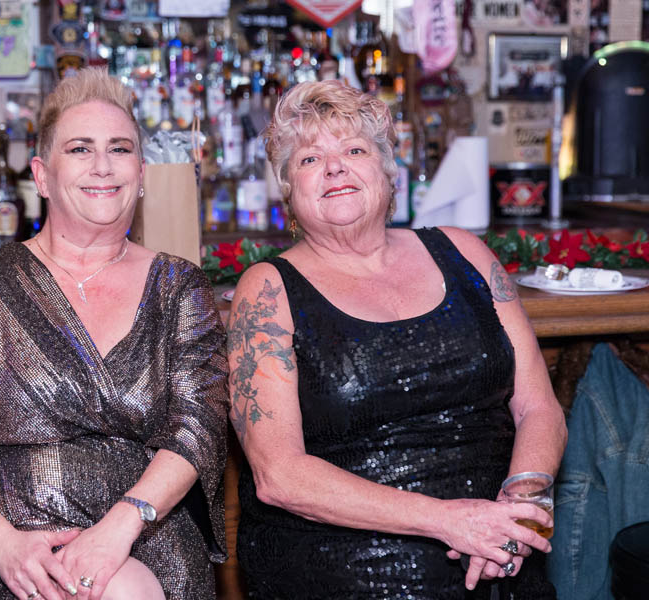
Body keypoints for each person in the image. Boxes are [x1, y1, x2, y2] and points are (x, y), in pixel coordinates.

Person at [228, 80, 567, 598]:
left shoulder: (465, 252)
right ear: (289, 191)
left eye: (354, 151)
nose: (334, 168)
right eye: (310, 159)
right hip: (347, 566)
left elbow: (539, 408)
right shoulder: (268, 290)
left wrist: (519, 512)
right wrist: (451, 521)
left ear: (389, 171)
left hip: (500, 550)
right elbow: (280, 475)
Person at [0, 68, 229, 600]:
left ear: (141, 172)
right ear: (42, 176)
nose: (103, 165)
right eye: (80, 149)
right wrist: (4, 544)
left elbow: (199, 428)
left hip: (145, 530)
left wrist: (120, 528)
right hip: (5, 544)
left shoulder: (179, 287)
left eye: (120, 149)